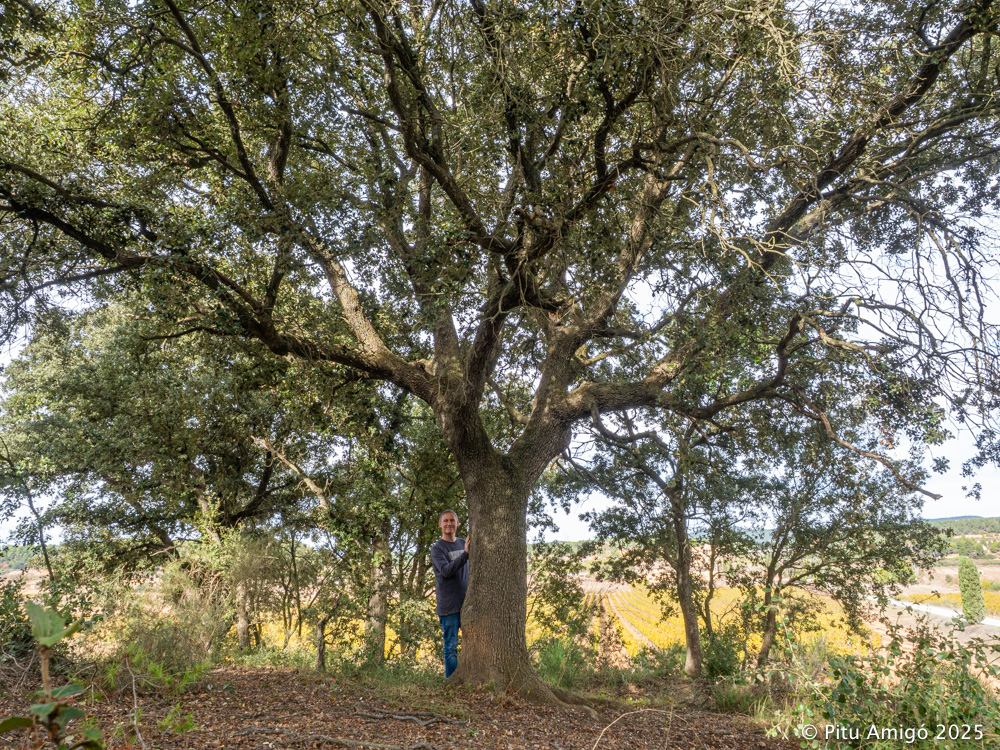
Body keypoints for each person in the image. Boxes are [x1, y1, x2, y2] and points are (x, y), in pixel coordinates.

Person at [431, 510, 469, 678]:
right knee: (451, 647)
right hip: (449, 606)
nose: (449, 524)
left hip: (467, 603)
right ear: (440, 524)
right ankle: (452, 682)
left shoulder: (463, 543)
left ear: (458, 523)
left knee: (472, 645)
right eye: (445, 521)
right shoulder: (438, 549)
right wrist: (466, 554)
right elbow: (446, 571)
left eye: (452, 521)